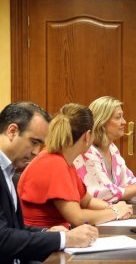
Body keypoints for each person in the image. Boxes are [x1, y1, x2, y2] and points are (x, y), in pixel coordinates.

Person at [0, 102, 98, 263]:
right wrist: (64, 239)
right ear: (12, 131)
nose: (36, 152)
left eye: (40, 144)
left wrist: (48, 233)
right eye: (34, 142)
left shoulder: (7, 170)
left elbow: (15, 229)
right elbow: (3, 239)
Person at [18, 103, 133, 229]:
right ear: (88, 136)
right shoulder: (55, 163)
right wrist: (115, 213)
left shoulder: (65, 160)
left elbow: (87, 201)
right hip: (43, 240)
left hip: (61, 234)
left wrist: (113, 208)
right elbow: (77, 218)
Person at [74, 96, 136, 202]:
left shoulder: (112, 148)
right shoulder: (87, 151)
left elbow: (129, 181)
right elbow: (106, 192)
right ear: (102, 122)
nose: (124, 122)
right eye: (118, 117)